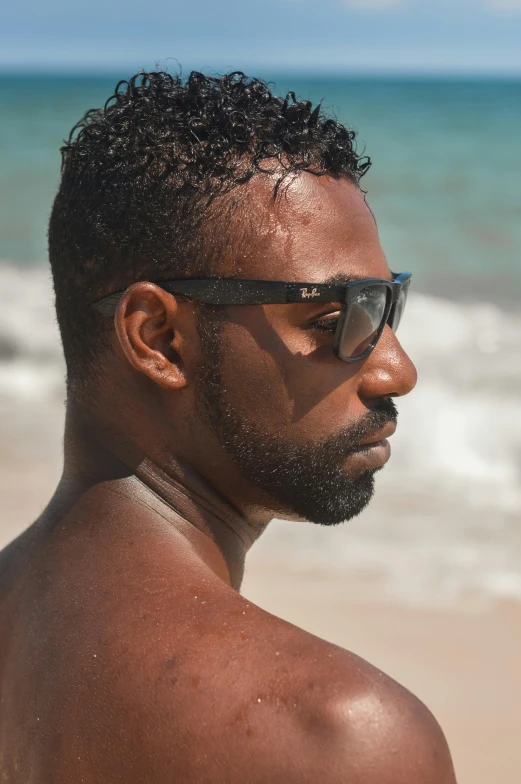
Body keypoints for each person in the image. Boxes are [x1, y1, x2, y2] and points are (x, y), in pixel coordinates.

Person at [0, 70, 457, 783]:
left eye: (385, 305)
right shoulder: (336, 736)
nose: (396, 370)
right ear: (158, 339)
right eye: (338, 319)